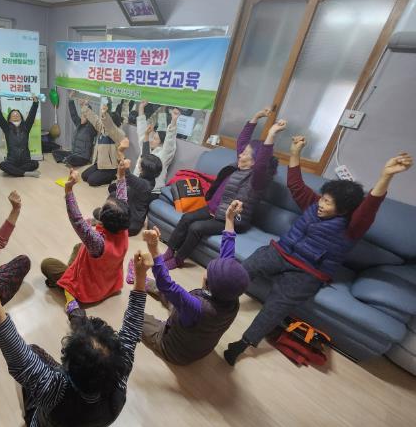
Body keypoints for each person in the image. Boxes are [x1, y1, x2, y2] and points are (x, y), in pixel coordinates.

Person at [224, 139, 414, 366]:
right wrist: (295, 152)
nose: (322, 205)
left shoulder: (353, 226)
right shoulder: (314, 204)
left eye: (329, 203)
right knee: (246, 267)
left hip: (307, 272)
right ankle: (219, 298)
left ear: (343, 210)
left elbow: (370, 206)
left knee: (277, 305)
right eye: (323, 199)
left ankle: (243, 344)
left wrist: (386, 176)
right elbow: (295, 184)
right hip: (280, 252)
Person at [0, 250, 150, 427]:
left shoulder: (52, 388)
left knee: (33, 351)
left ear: (68, 364)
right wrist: (141, 276)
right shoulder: (120, 376)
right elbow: (131, 330)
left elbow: (20, 358)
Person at [163, 108, 282, 270]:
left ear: (255, 161)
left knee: (196, 228)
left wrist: (271, 134)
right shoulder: (241, 166)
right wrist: (255, 117)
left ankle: (178, 259)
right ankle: (170, 251)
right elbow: (242, 141)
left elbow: (262, 162)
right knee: (186, 218)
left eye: (245, 154)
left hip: (230, 219)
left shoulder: (257, 180)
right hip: (214, 209)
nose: (240, 154)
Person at [141, 200, 250, 365]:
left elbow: (167, 284)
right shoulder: (231, 296)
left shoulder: (196, 307)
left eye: (209, 268)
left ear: (207, 282)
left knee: (134, 315)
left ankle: (155, 314)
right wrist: (229, 218)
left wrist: (154, 249)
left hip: (173, 350)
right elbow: (227, 254)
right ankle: (148, 285)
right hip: (196, 340)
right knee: (176, 299)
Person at [41, 160, 130, 312]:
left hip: (88, 291)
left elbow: (77, 220)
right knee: (79, 247)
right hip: (110, 285)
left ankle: (67, 289)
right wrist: (121, 175)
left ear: (102, 218)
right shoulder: (123, 229)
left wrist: (68, 189)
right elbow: (123, 200)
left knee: (47, 264)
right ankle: (67, 280)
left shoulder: (97, 242)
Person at [106, 138, 162, 237]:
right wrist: (146, 136)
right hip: (130, 207)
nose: (139, 162)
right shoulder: (149, 175)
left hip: (132, 224)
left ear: (144, 169)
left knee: (109, 218)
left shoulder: (145, 185)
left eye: (140, 163)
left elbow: (126, 174)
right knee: (113, 194)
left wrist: (121, 152)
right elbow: (145, 155)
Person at [134, 101, 179, 194]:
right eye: (152, 137)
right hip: (137, 185)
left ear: (161, 144)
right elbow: (142, 132)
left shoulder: (163, 155)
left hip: (152, 191)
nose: (151, 140)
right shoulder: (146, 148)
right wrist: (141, 108)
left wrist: (174, 121)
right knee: (114, 188)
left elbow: (170, 142)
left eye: (155, 139)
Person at [0, 94, 40, 177]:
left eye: (17, 114)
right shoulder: (6, 128)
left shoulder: (26, 127)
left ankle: (13, 171)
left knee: (35, 164)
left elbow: (32, 115)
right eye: (13, 115)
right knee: (2, 165)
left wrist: (35, 103)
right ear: (9, 118)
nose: (15, 115)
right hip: (12, 161)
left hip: (25, 160)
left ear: (21, 117)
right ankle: (25, 173)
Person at [80, 100, 127, 187]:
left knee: (91, 181)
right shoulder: (103, 128)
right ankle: (99, 172)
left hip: (110, 168)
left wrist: (105, 115)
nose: (103, 123)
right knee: (84, 176)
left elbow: (110, 127)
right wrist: (84, 107)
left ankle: (112, 176)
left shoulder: (118, 133)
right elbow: (95, 119)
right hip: (100, 163)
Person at [52, 91, 97, 167]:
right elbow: (73, 114)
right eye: (82, 115)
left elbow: (91, 115)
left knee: (71, 159)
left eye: (85, 116)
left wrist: (86, 105)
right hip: (73, 153)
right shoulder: (78, 123)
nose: (83, 117)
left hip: (82, 157)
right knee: (55, 152)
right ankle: (66, 159)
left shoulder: (90, 127)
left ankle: (67, 160)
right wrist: (70, 99)